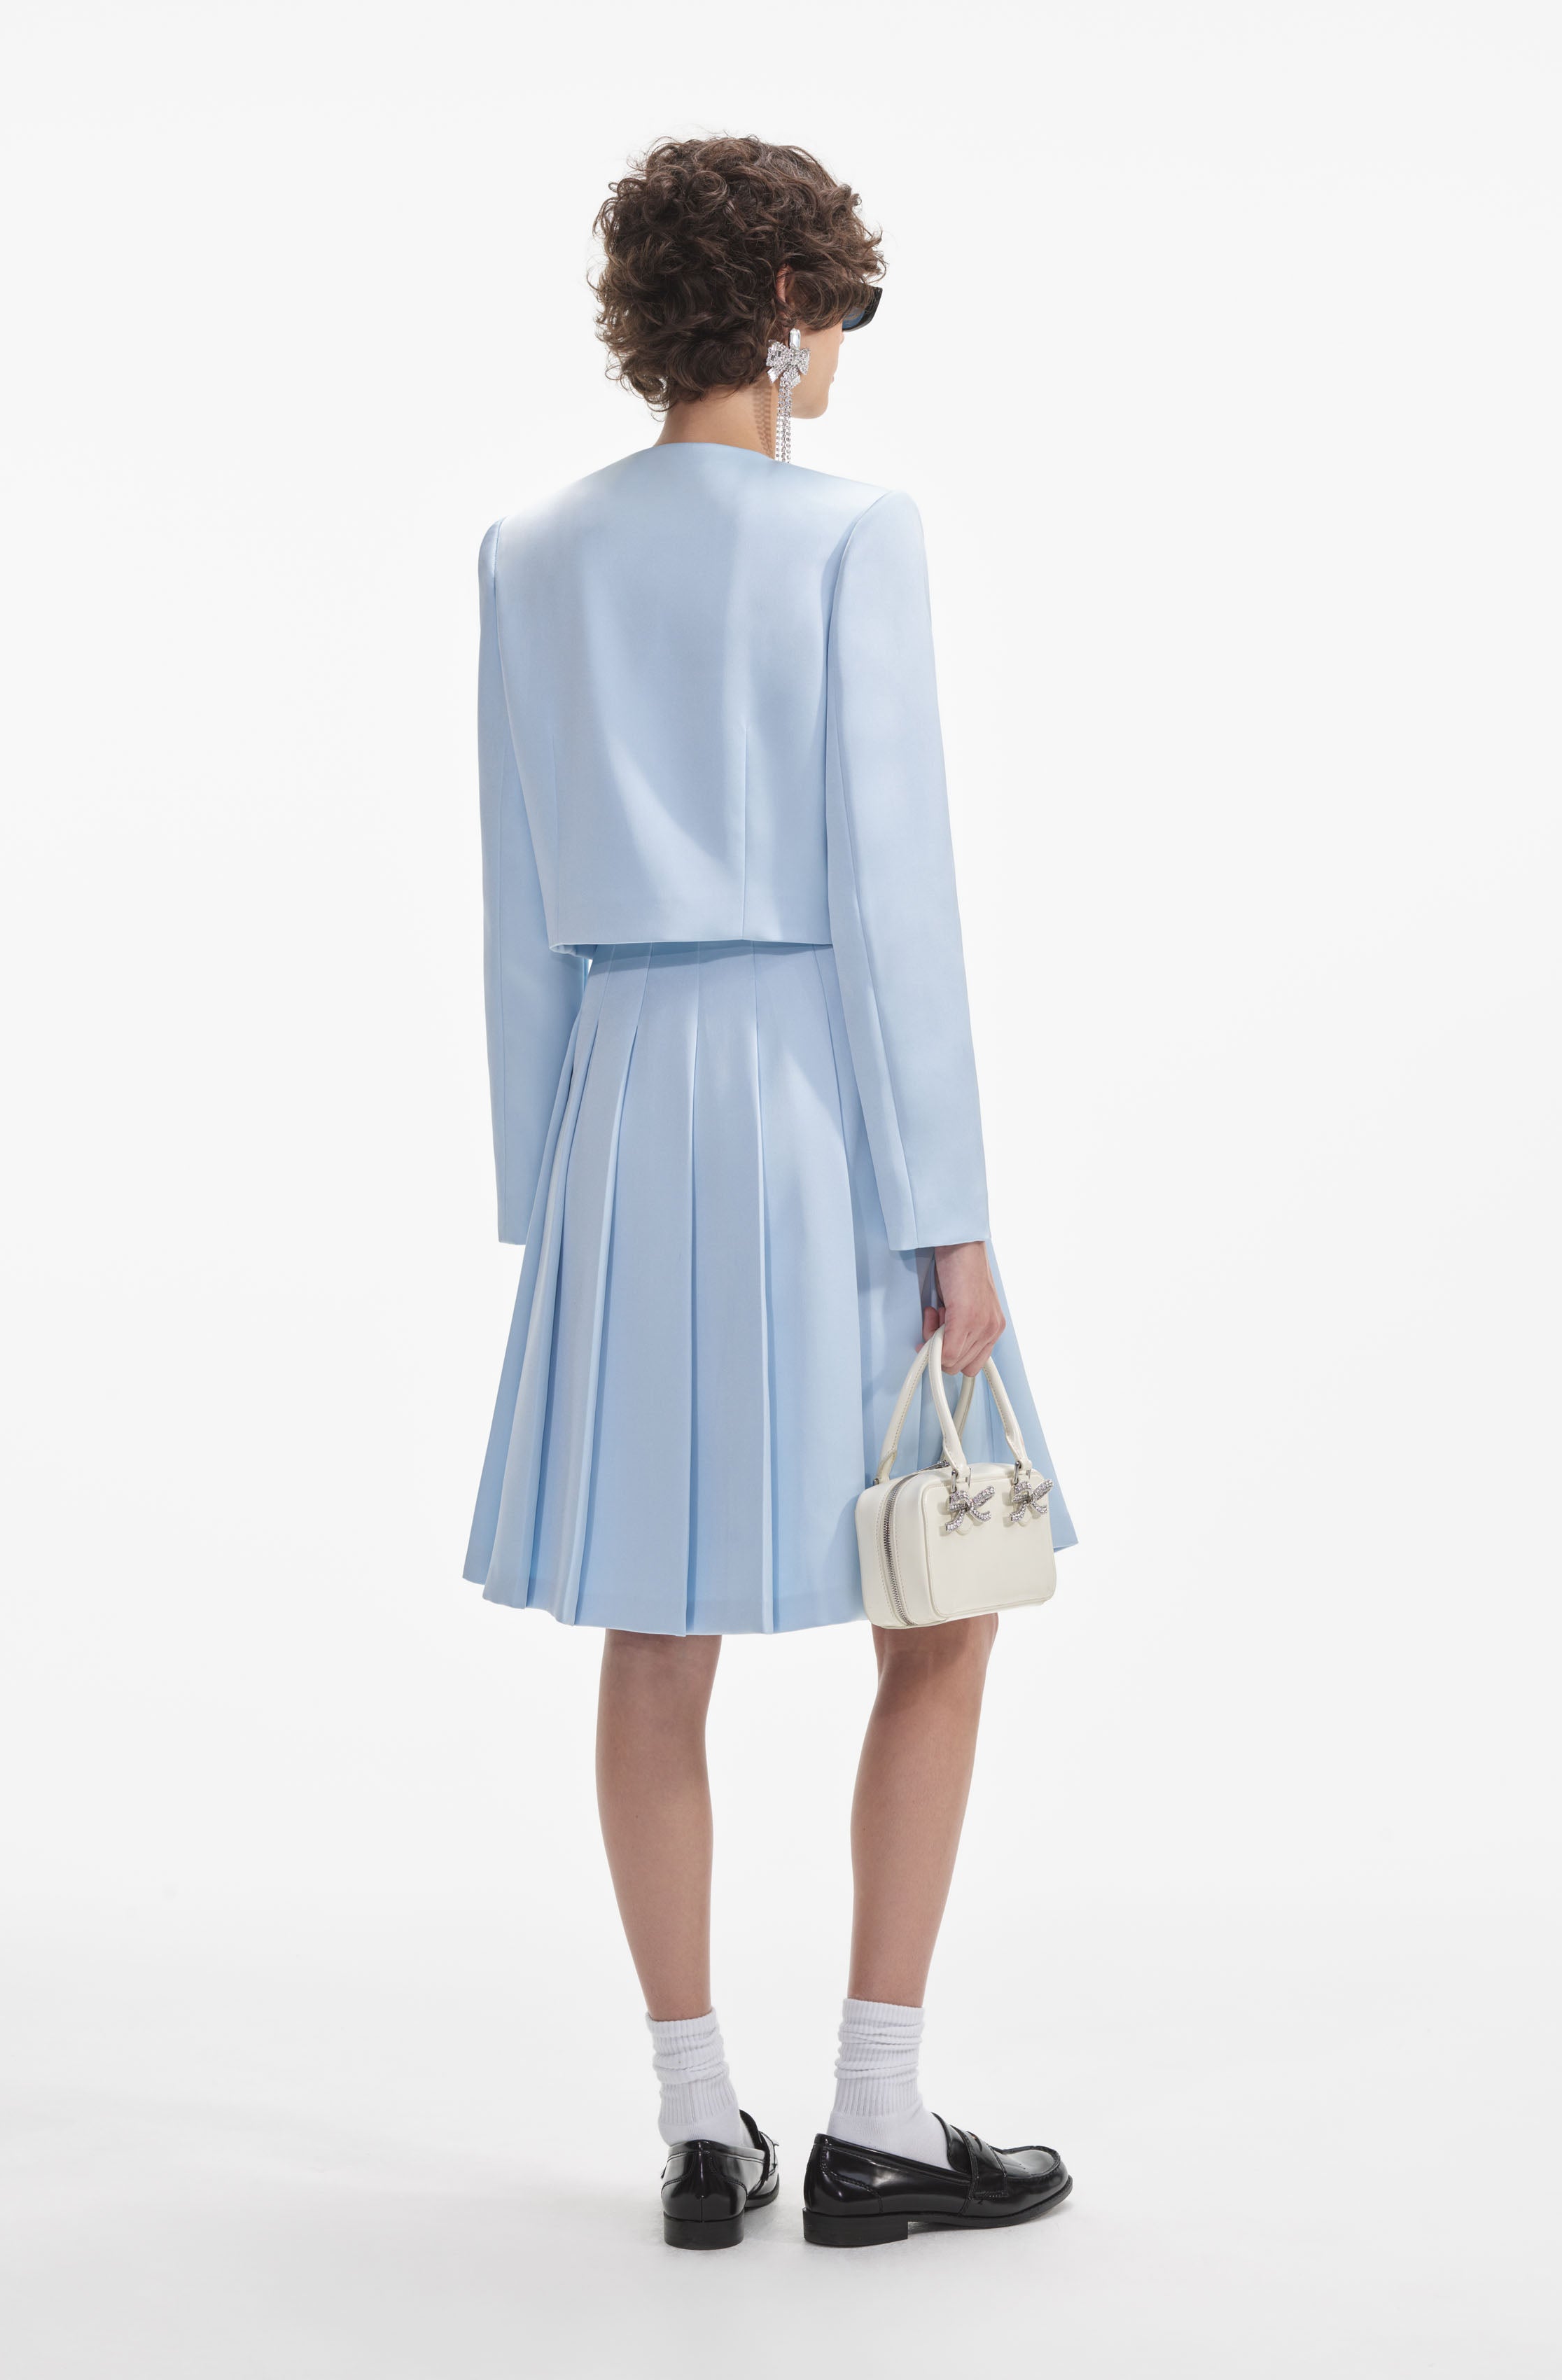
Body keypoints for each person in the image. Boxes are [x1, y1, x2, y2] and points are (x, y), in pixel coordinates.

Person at [461, 135, 1075, 2250]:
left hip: (625, 1108)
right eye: (844, 311)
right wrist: (952, 1212)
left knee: (659, 1623)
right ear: (796, 306)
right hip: (819, 1096)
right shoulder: (850, 534)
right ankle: (878, 2111)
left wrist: (549, 1202)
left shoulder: (530, 552)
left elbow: (517, 907)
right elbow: (894, 892)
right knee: (947, 1585)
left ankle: (697, 2125)